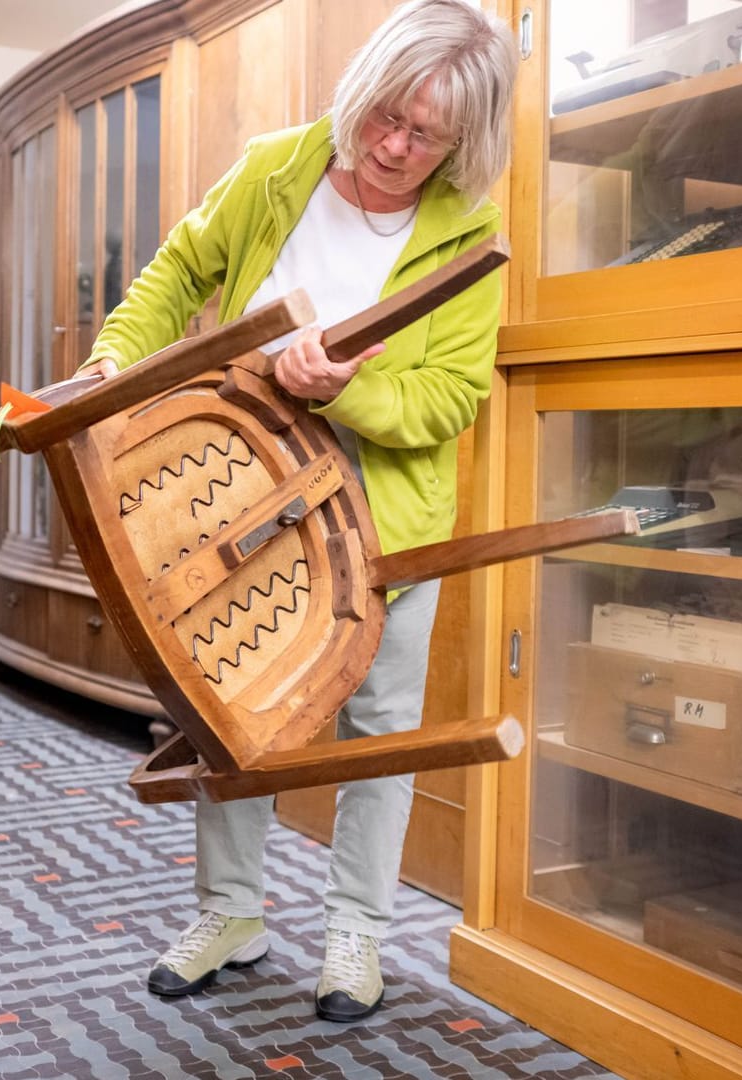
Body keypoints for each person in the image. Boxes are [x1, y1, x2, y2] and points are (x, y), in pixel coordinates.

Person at [79, 0, 516, 1023]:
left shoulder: (468, 236)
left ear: (464, 142)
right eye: (385, 119)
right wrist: (115, 356)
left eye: (426, 136)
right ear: (362, 94)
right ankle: (231, 913)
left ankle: (356, 936)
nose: (394, 148)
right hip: (242, 492)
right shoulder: (279, 166)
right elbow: (179, 270)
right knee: (232, 712)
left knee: (379, 727)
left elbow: (450, 400)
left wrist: (344, 390)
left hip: (386, 520)